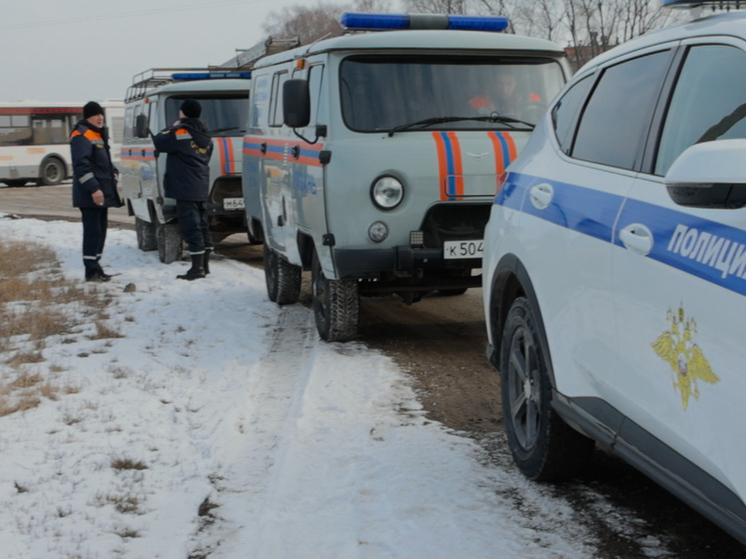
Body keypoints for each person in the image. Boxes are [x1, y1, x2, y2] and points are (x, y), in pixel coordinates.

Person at [152, 99, 213, 281]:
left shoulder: (180, 132)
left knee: (191, 227)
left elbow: (158, 141)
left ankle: (196, 269)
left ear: (183, 113)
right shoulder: (205, 135)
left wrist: (173, 126)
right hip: (201, 186)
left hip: (184, 187)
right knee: (202, 226)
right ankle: (205, 266)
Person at [71, 101, 121, 282]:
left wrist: (113, 171)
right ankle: (91, 271)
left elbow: (100, 161)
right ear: (87, 117)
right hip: (91, 194)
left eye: (101, 114)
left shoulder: (97, 134)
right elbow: (81, 165)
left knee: (100, 232)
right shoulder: (81, 135)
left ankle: (96, 267)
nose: (100, 117)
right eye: (96, 114)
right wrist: (93, 188)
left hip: (102, 192)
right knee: (93, 232)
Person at [469, 70, 542, 119]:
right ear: (493, 83)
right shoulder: (477, 102)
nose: (504, 89)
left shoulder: (533, 100)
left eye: (509, 84)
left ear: (516, 84)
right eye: (500, 84)